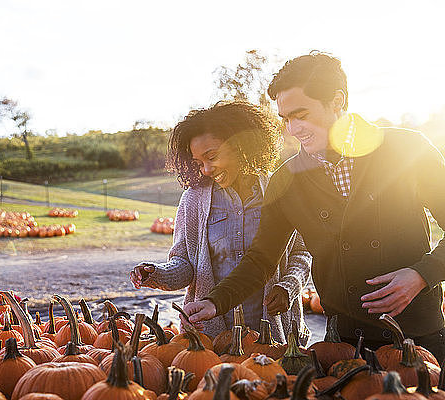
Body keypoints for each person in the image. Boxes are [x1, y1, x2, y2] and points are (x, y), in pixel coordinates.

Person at [183, 52, 445, 360]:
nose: (293, 129)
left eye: (301, 115)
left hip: (421, 335)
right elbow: (262, 258)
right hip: (346, 343)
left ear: (337, 101)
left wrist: (422, 274)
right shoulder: (287, 180)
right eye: (286, 119)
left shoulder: (407, 149)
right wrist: (216, 301)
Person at [130, 102, 312, 344]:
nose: (205, 169)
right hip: (212, 333)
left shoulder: (278, 190)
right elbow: (185, 264)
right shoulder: (194, 201)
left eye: (212, 157)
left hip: (273, 333)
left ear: (240, 145)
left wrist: (289, 286)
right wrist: (157, 274)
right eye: (198, 163)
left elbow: (302, 253)